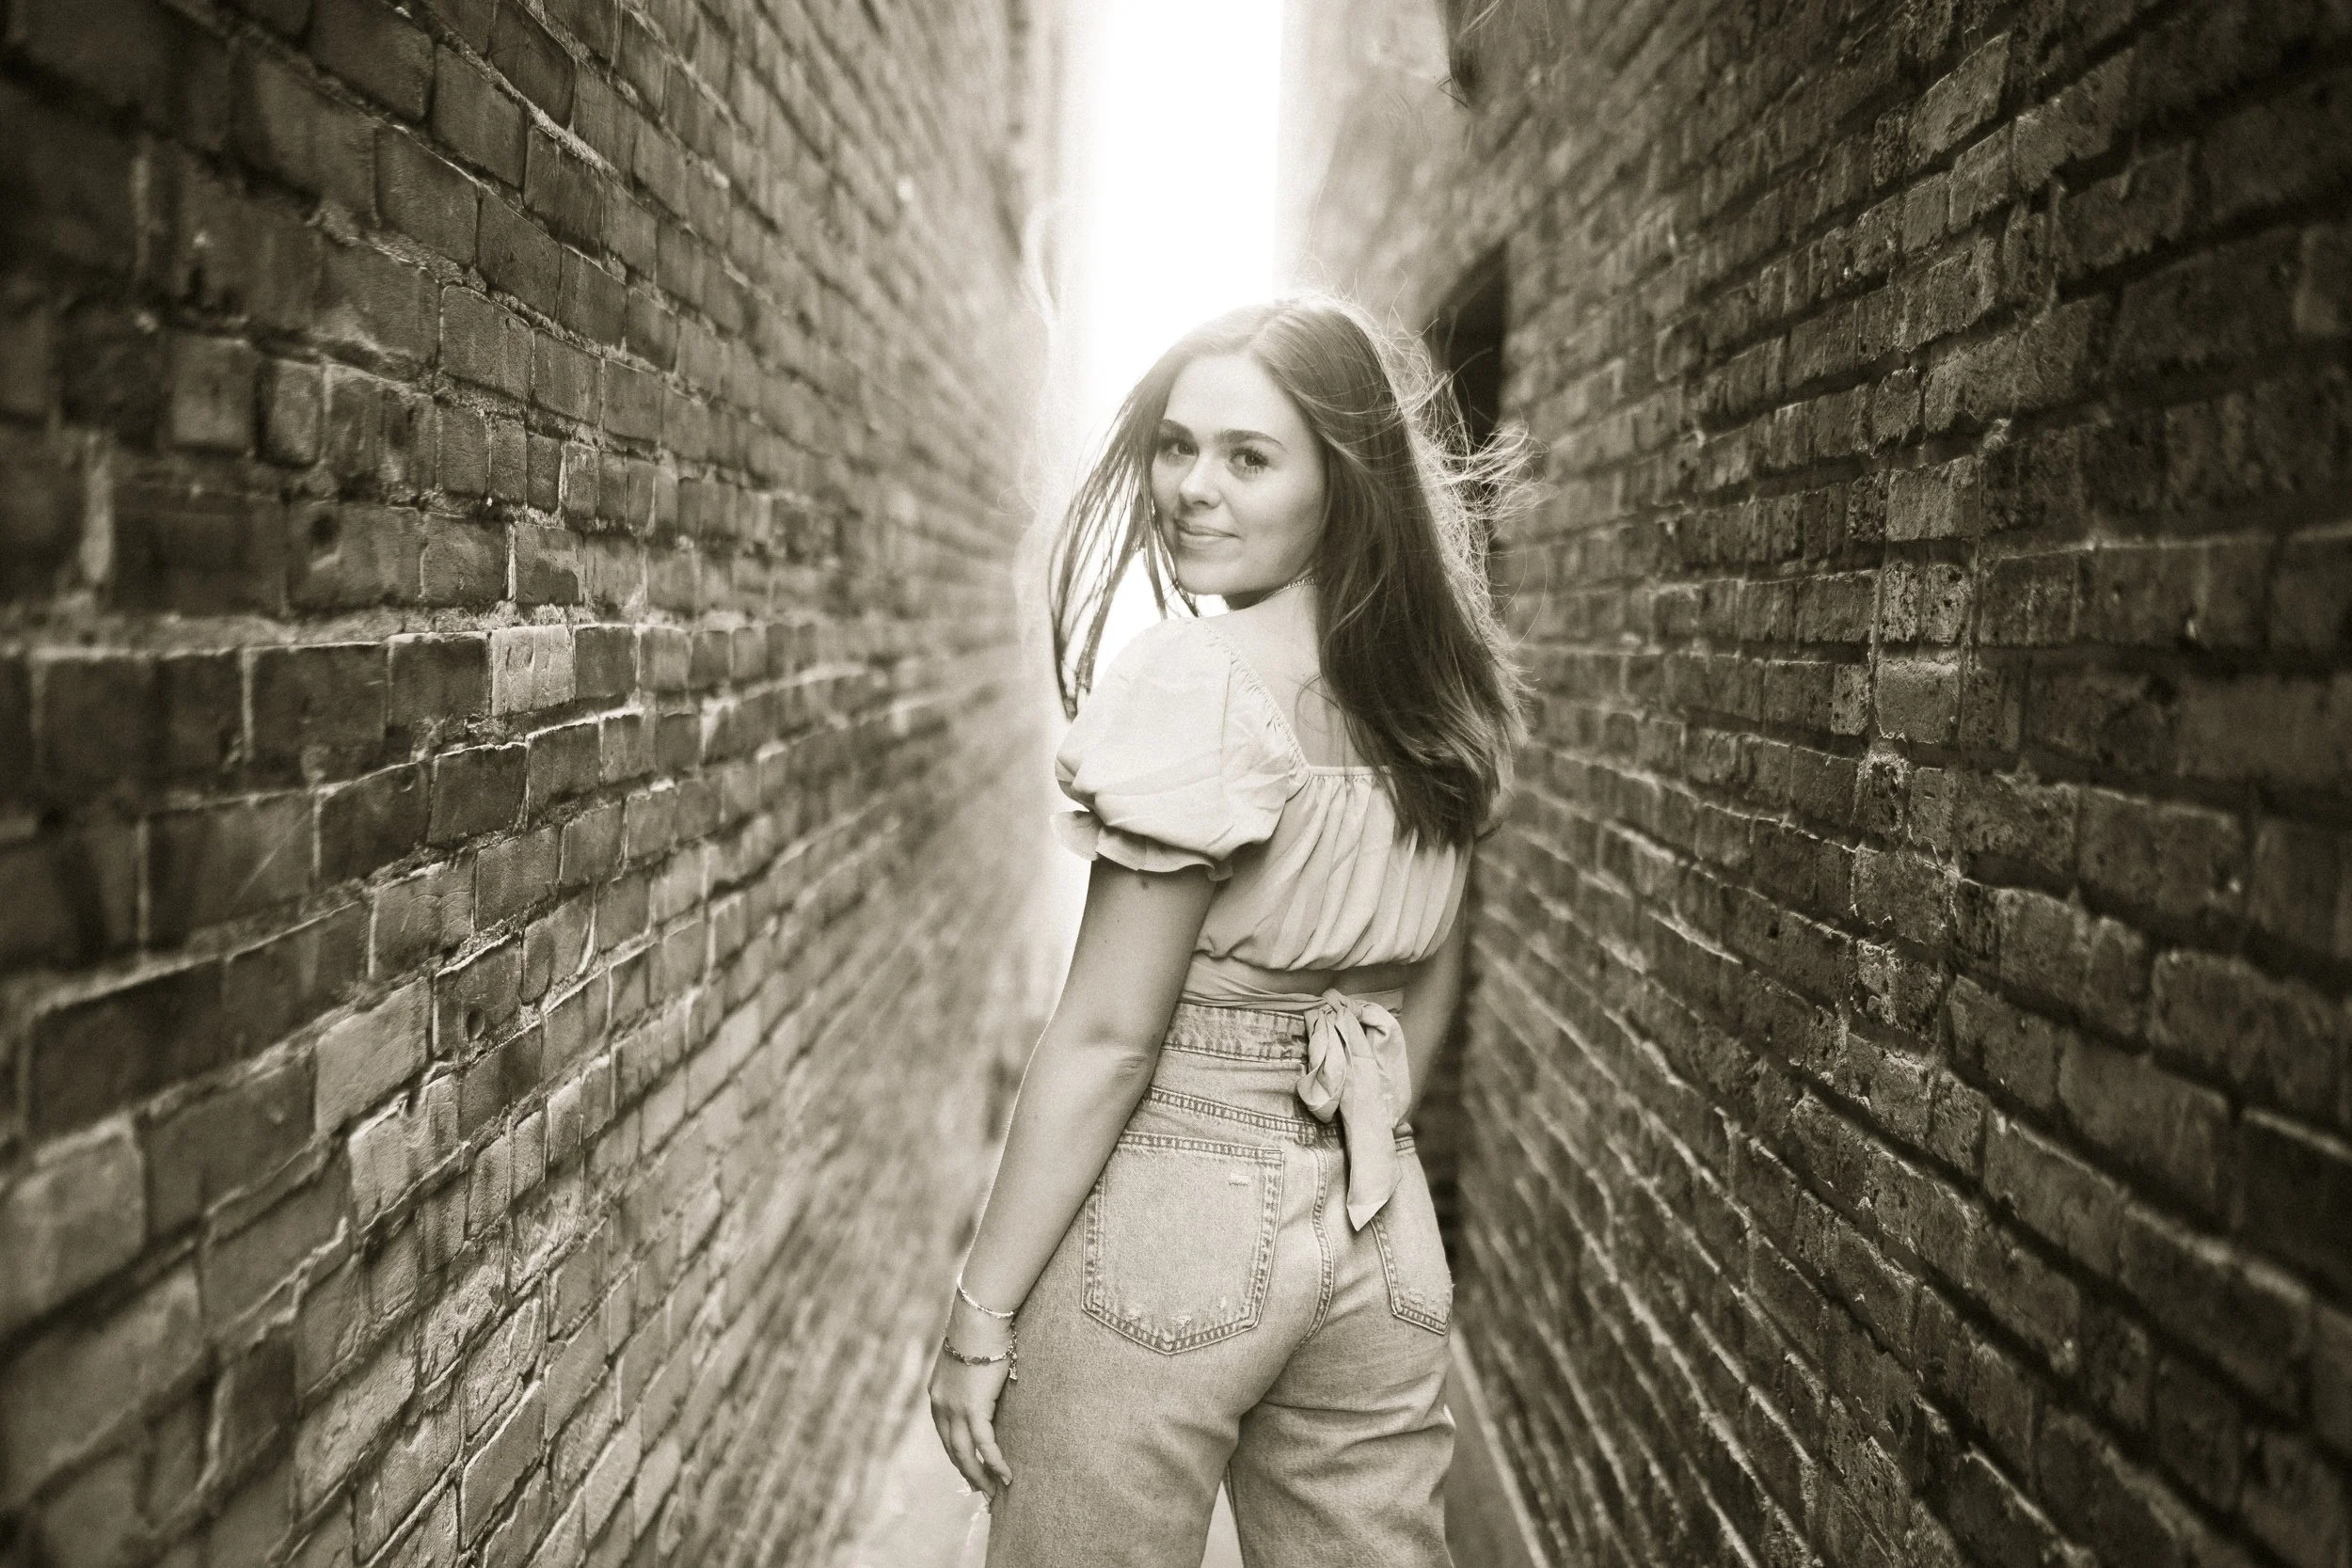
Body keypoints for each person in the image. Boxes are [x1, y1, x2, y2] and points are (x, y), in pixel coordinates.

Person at [929, 293, 1526, 1567]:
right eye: (1177, 445)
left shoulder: (1198, 681)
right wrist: (1338, 1139)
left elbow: (1104, 1041)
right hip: (1384, 1229)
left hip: (1173, 1226)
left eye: (1249, 457)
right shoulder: (1441, 701)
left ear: (1342, 484)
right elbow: (1423, 999)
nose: (1193, 487)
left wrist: (980, 1314)